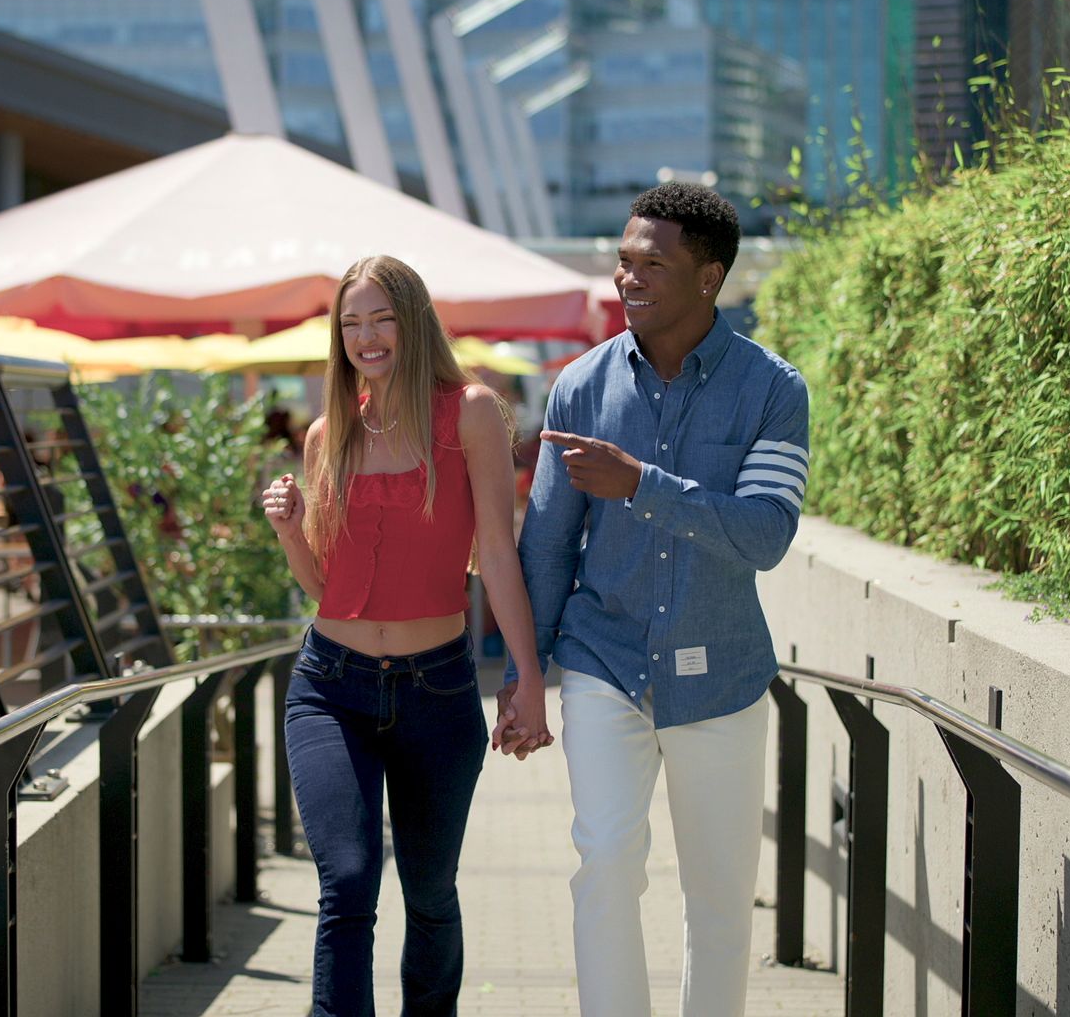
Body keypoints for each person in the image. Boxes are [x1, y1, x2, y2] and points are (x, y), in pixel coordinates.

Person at [504, 182, 809, 1016]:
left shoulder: (774, 391)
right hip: (604, 661)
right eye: (623, 261)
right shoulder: (580, 386)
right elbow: (548, 547)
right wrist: (524, 674)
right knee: (604, 858)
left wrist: (643, 485)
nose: (627, 280)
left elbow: (767, 535)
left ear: (708, 277)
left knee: (719, 895)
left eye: (652, 265)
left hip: (721, 680)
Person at [260, 254, 549, 1016]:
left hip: (438, 689)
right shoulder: (330, 433)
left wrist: (529, 680)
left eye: (381, 317)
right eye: (351, 323)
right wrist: (291, 533)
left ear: (413, 320)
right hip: (330, 687)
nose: (366, 336)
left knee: (429, 893)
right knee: (348, 884)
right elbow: (329, 590)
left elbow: (497, 555)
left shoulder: (472, 412)